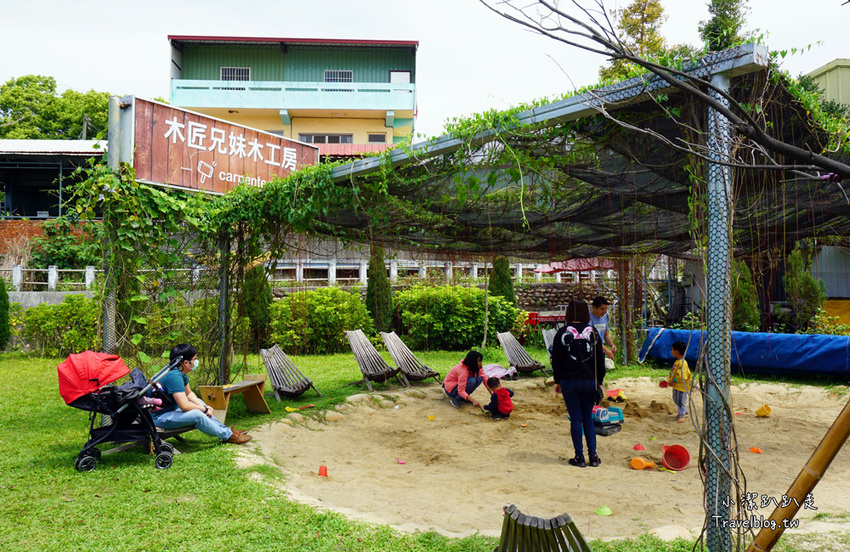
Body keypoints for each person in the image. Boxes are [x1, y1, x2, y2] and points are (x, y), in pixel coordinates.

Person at [151, 343, 252, 444]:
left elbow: (189, 393)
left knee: (199, 402)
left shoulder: (179, 370)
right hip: (157, 418)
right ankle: (228, 436)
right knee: (197, 414)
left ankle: (227, 431)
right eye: (195, 359)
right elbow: (184, 406)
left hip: (169, 410)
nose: (196, 361)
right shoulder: (174, 376)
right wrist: (204, 409)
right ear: (186, 363)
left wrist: (203, 406)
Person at [552, 299, 606, 468]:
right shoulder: (594, 332)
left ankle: (579, 457)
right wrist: (600, 381)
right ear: (585, 313)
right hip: (589, 381)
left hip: (569, 381)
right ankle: (594, 456)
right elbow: (600, 360)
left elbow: (556, 361)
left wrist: (558, 380)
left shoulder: (561, 333)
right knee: (588, 418)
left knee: (575, 419)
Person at [668, 341, 692, 423]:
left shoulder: (683, 363)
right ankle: (684, 410)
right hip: (676, 386)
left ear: (676, 351)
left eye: (672, 350)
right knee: (676, 399)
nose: (671, 352)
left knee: (681, 400)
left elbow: (682, 376)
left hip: (682, 387)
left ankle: (682, 415)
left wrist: (673, 381)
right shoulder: (677, 362)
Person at [589, 296, 617, 361]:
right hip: (591, 352)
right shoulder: (588, 319)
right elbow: (592, 338)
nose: (604, 311)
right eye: (602, 309)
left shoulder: (604, 318)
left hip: (600, 352)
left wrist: (612, 345)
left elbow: (606, 335)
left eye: (605, 309)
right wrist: (606, 350)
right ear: (594, 308)